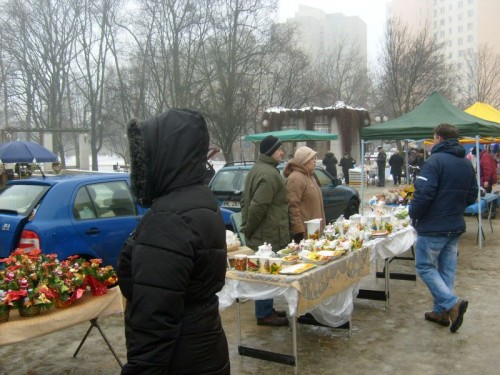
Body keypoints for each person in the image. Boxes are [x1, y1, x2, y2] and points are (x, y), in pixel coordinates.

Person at [118, 109, 230, 374]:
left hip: (179, 358)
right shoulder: (199, 199)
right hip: (204, 347)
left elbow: (155, 320)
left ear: (164, 157)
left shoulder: (169, 218)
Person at [409, 123, 478, 333]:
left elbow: (423, 193)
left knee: (425, 267)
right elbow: (472, 194)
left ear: (438, 138)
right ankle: (441, 312)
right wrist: (454, 208)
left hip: (434, 226)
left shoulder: (434, 161)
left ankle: (450, 303)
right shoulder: (466, 164)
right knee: (446, 269)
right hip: (454, 224)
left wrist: (414, 213)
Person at [241, 135, 290, 327]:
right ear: (270, 151)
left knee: (267, 273)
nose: (282, 152)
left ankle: (267, 309)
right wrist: (250, 230)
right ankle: (264, 314)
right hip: (266, 235)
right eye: (279, 149)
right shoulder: (269, 174)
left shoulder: (259, 169)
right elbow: (258, 206)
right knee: (266, 275)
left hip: (264, 232)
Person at [284, 146, 325, 243]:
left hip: (315, 231)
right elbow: (293, 206)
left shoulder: (309, 176)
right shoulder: (296, 178)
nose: (315, 161)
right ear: (304, 161)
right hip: (306, 233)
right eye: (312, 159)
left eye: (315, 158)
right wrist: (299, 231)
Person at [472, 146, 497, 219]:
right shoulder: (485, 156)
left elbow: (487, 169)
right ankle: (490, 211)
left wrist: (486, 180)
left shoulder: (484, 157)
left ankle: (491, 212)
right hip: (490, 179)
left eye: (475, 155)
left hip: (488, 180)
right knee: (491, 196)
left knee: (489, 197)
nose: (475, 157)